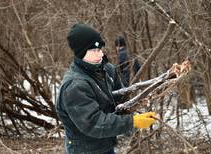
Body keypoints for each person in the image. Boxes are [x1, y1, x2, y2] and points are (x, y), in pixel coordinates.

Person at [56, 23, 157, 154]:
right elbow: (93, 123)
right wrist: (132, 122)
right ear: (81, 53)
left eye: (100, 49)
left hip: (105, 145)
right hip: (85, 150)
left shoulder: (106, 69)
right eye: (94, 51)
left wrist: (136, 103)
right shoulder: (74, 86)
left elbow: (117, 99)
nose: (100, 54)